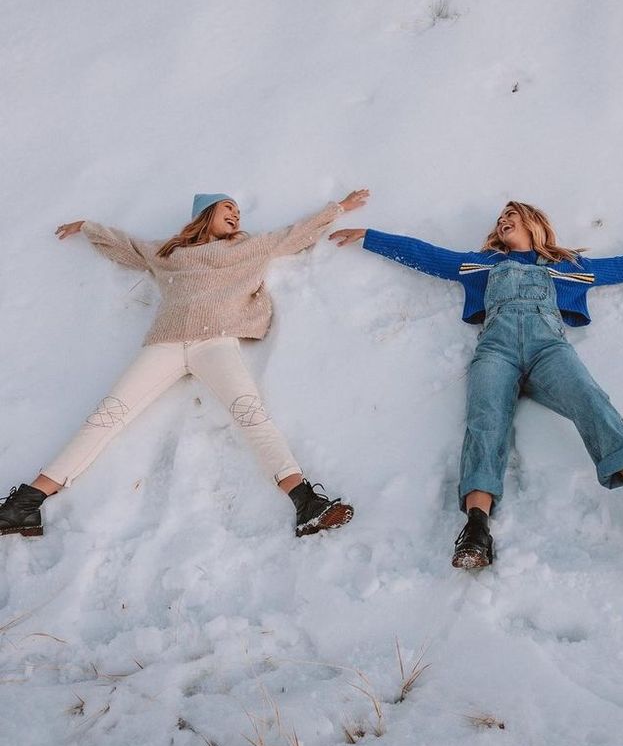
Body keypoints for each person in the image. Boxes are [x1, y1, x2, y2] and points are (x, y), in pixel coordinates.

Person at [330, 201, 623, 568]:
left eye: (511, 215)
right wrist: (368, 236)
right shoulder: (481, 264)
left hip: (548, 351)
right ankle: (476, 529)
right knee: (485, 422)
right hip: (496, 352)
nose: (503, 221)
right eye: (500, 219)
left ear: (533, 223)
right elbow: (426, 255)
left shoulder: (568, 266)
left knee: (590, 401)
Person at [0, 189, 370, 539]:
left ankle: (306, 503)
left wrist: (339, 207)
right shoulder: (168, 253)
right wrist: (87, 227)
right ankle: (26, 505)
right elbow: (125, 247)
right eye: (228, 208)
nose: (236, 215)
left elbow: (297, 234)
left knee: (250, 412)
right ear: (205, 214)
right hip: (164, 345)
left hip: (216, 343)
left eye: (238, 211)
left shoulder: (248, 248)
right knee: (107, 415)